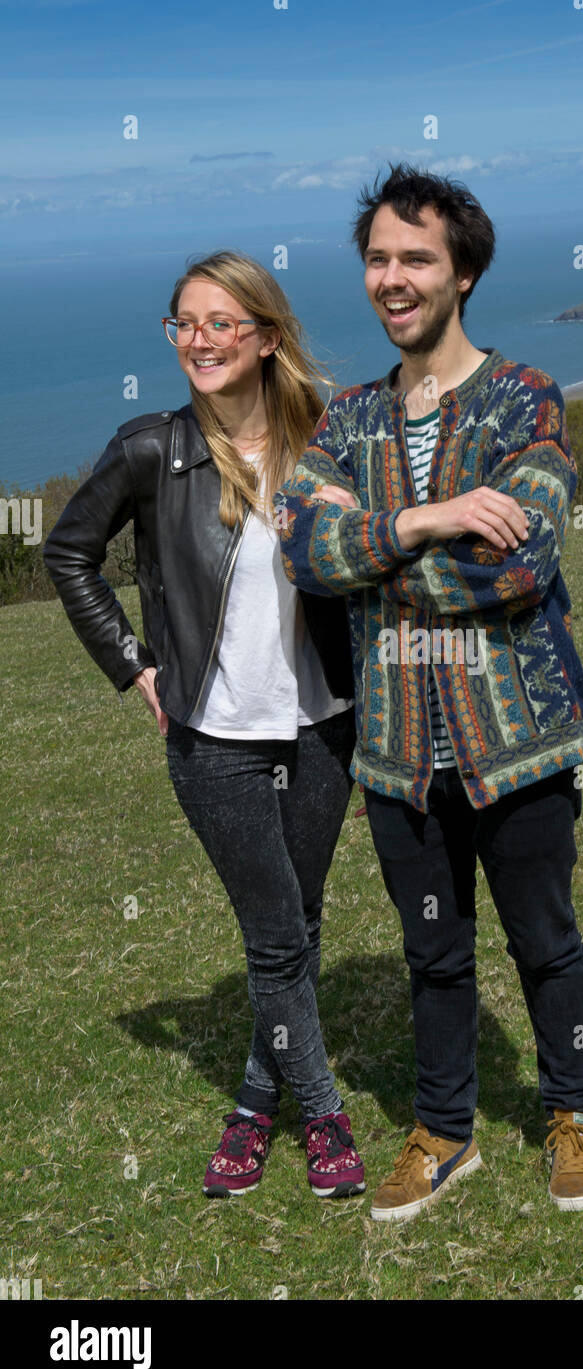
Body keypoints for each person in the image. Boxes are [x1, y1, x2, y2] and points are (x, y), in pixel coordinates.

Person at [274, 164, 583, 1223]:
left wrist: (365, 551)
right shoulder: (344, 417)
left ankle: (575, 1110)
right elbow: (302, 550)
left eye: (414, 257)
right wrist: (424, 520)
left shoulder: (527, 397)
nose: (392, 277)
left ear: (461, 271)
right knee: (434, 952)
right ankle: (444, 1129)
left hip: (517, 741)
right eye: (377, 258)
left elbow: (517, 559)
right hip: (396, 755)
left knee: (543, 938)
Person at [43, 251, 365, 1201]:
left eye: (224, 323)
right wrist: (132, 665)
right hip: (212, 736)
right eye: (185, 323)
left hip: (322, 726)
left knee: (297, 927)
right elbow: (70, 554)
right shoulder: (152, 449)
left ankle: (252, 1105)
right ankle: (324, 1116)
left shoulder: (327, 439)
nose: (202, 341)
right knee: (273, 937)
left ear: (267, 336)